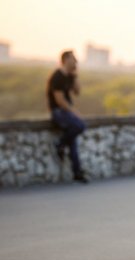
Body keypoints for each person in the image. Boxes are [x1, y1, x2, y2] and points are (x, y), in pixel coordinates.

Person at [46, 50, 88, 183]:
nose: (76, 61)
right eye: (73, 59)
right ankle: (59, 144)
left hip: (66, 113)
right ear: (65, 60)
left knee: (73, 142)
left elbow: (77, 92)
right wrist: (73, 112)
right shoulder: (57, 76)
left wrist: (75, 75)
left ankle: (77, 173)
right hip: (59, 112)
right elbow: (59, 100)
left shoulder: (69, 76)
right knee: (80, 125)